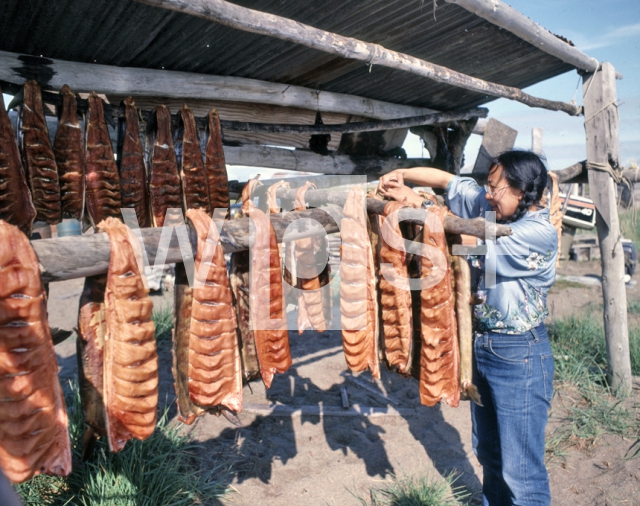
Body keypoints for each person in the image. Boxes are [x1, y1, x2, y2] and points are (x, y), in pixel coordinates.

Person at [377, 150, 557, 506]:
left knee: (521, 470)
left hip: (519, 353)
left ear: (521, 191)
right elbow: (447, 181)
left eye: (495, 187)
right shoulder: (494, 206)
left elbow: (469, 242)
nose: (487, 194)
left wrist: (421, 206)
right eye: (487, 186)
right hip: (484, 349)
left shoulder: (537, 233)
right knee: (488, 452)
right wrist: (402, 173)